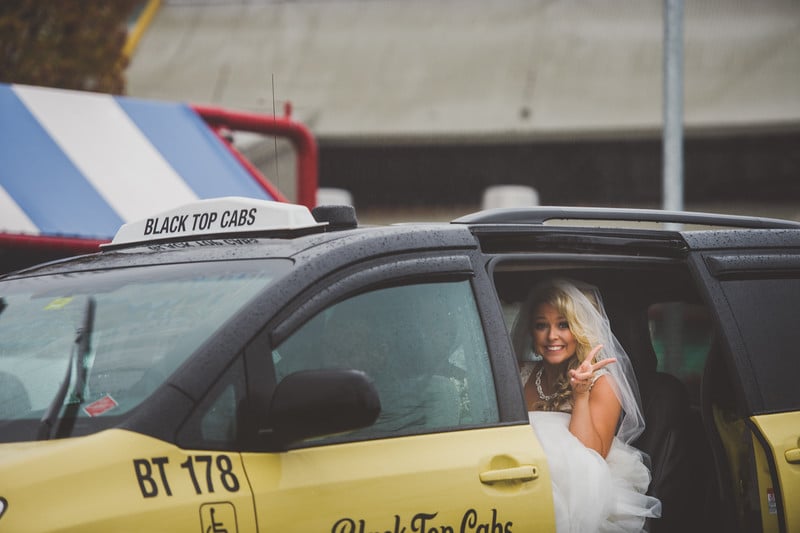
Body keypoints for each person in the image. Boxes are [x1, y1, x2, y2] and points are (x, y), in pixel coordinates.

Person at [511, 278, 661, 533]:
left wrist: (580, 394)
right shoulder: (520, 373)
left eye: (563, 325)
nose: (551, 336)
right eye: (541, 325)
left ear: (579, 329)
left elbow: (592, 455)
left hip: (583, 490)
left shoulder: (604, 384)